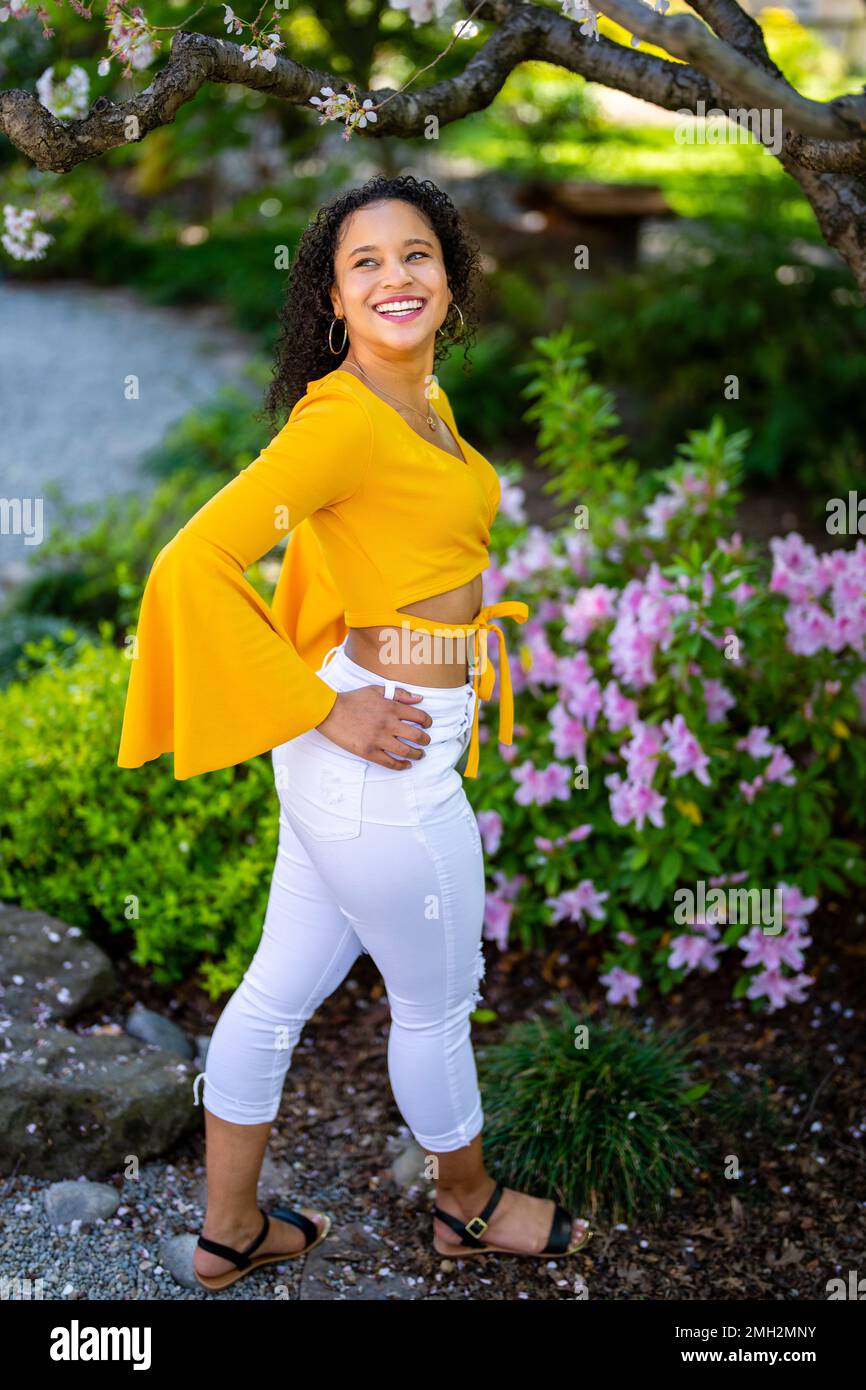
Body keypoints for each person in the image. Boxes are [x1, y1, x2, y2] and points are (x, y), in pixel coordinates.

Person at [117, 174, 593, 1290]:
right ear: (332, 299)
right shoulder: (341, 421)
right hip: (379, 760)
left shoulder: (414, 401)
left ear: (449, 278)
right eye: (364, 262)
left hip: (356, 761)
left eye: (415, 254)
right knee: (434, 1004)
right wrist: (326, 705)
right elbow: (193, 561)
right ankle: (465, 1208)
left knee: (279, 988)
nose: (395, 276)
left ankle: (228, 1231)